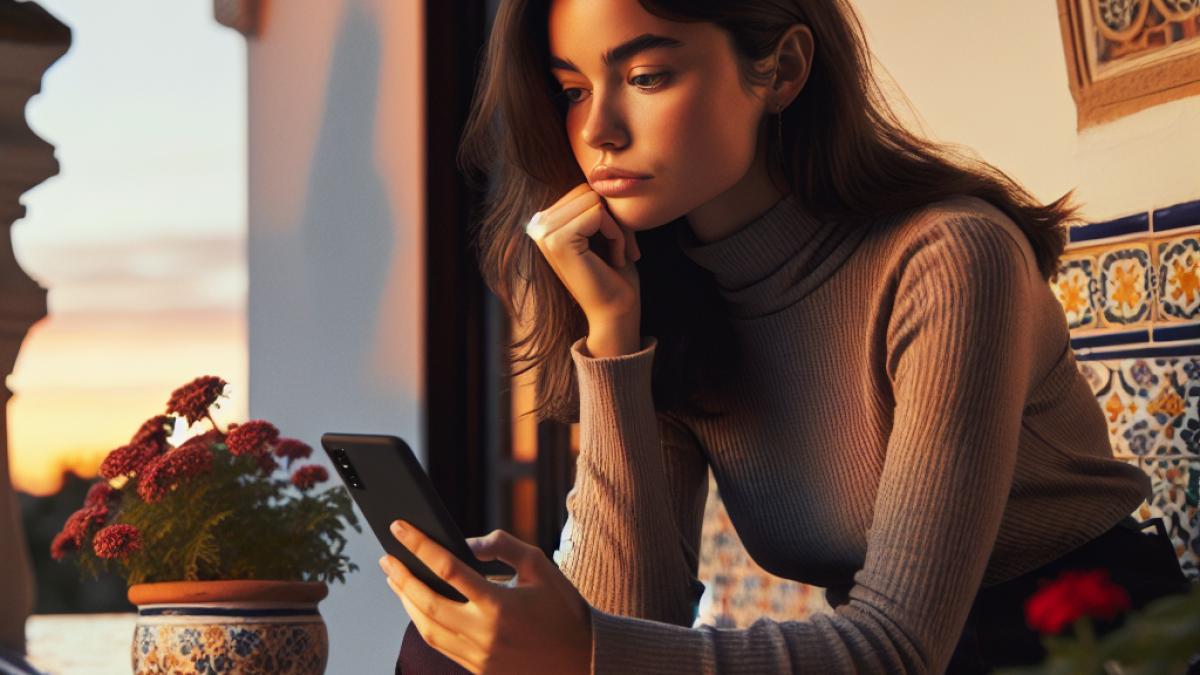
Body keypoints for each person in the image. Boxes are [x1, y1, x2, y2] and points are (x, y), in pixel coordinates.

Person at [379, 0, 1193, 673]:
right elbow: (629, 611)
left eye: (647, 75)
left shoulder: (949, 257)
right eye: (571, 90)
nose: (600, 132)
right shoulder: (668, 289)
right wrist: (614, 339)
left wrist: (583, 646)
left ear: (783, 70)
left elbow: (896, 650)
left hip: (1102, 649)